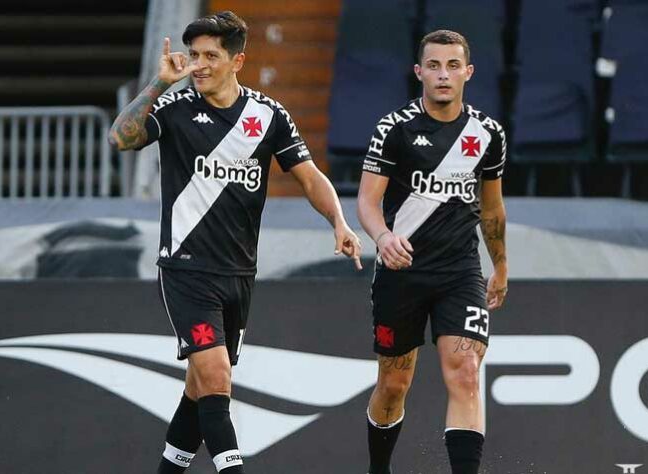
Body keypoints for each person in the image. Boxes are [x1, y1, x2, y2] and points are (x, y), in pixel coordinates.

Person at [109, 11, 362, 474]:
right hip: (186, 270)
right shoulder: (176, 109)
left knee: (198, 388)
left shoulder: (267, 116)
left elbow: (309, 178)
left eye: (211, 56)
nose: (199, 65)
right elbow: (120, 137)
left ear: (237, 60)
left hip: (239, 274)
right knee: (218, 378)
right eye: (194, 55)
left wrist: (339, 223)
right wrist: (159, 84)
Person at [356, 30, 508, 474]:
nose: (444, 75)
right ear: (419, 71)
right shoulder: (394, 129)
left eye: (453, 66)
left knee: (465, 371)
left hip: (460, 273)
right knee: (393, 383)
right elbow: (366, 201)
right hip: (401, 272)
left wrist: (499, 264)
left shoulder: (488, 134)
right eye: (435, 66)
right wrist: (383, 238)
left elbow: (492, 207)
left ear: (468, 72)